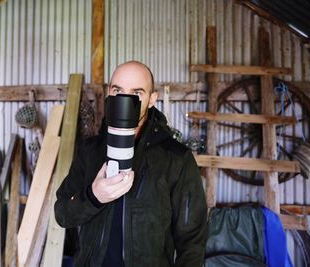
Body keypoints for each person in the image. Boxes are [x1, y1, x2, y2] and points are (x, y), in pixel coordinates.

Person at [55, 61, 207, 266]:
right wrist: (93, 197)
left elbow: (192, 241)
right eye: (118, 90)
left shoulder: (176, 159)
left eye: (137, 93)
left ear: (152, 99)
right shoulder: (90, 151)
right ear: (110, 93)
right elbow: (62, 214)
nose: (125, 100)